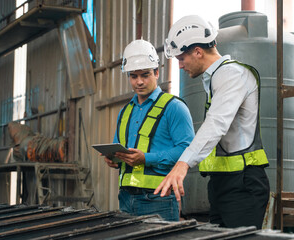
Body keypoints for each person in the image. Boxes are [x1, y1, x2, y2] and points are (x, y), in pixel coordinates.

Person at [154, 15, 270, 229]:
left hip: (243, 184)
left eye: (181, 58)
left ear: (198, 51)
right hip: (223, 183)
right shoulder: (217, 77)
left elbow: (216, 124)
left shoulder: (232, 75)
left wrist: (182, 164)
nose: (180, 66)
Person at [103, 39, 195, 221]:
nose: (139, 82)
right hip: (126, 198)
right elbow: (121, 148)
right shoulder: (125, 111)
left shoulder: (174, 107)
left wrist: (146, 158)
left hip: (159, 199)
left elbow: (189, 150)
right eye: (133, 76)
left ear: (157, 72)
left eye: (145, 75)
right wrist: (115, 159)